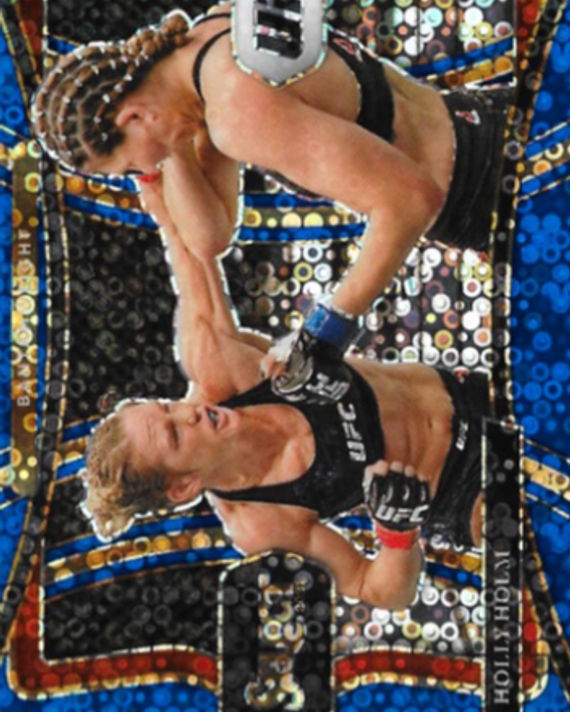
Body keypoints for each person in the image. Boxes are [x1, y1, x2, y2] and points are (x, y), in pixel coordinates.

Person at [83, 176, 490, 610]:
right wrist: (397, 533)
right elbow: (380, 592)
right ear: (183, 487)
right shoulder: (261, 524)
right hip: (462, 494)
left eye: (167, 407)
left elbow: (189, 250)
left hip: (474, 392)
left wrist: (153, 179)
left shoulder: (223, 374)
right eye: (175, 435)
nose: (189, 412)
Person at [30, 3, 510, 354]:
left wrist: (322, 333)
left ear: (133, 116)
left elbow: (410, 199)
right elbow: (211, 235)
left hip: (489, 188)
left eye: (131, 168)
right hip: (489, 120)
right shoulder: (213, 34)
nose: (145, 173)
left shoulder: (237, 112)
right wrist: (171, 151)